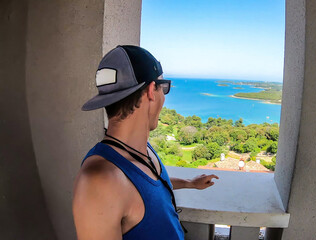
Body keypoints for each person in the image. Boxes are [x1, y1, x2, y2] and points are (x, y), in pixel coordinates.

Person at [73, 45, 219, 240]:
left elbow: (152, 186)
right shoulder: (100, 181)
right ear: (151, 90)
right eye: (163, 87)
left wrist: (189, 183)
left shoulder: (141, 151)